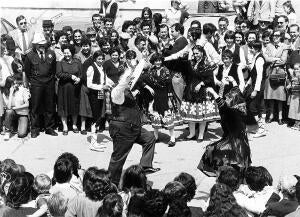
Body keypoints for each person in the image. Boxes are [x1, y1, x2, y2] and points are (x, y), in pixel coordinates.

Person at [108, 50, 160, 186]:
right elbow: (124, 82)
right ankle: (111, 184)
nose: (130, 79)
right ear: (121, 78)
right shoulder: (117, 92)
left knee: (149, 138)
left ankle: (144, 166)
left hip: (133, 127)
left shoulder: (127, 86)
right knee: (118, 158)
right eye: (126, 78)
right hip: (123, 130)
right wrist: (128, 73)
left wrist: (142, 60)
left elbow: (134, 77)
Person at [198, 78, 251, 177]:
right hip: (242, 142)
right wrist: (234, 81)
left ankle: (225, 172)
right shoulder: (241, 106)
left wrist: (213, 92)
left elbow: (222, 105)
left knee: (212, 150)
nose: (226, 99)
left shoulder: (231, 112)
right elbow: (237, 93)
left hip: (234, 143)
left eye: (228, 99)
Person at [181, 45, 218, 142]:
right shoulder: (191, 63)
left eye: (197, 53)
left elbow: (209, 79)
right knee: (190, 115)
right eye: (194, 53)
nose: (195, 55)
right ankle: (192, 133)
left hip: (202, 92)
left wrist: (200, 84)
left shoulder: (206, 64)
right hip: (190, 91)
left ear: (202, 52)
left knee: (202, 115)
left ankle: (201, 134)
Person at [24, 32, 58, 138]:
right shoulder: (29, 56)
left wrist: (50, 80)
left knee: (49, 106)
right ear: (35, 45)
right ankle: (35, 129)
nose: (42, 46)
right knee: (35, 107)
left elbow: (53, 69)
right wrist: (33, 82)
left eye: (43, 43)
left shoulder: (51, 53)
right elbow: (27, 72)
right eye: (39, 44)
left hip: (49, 83)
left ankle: (49, 128)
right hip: (36, 84)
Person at [143, 53, 177, 147]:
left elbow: (169, 85)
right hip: (155, 96)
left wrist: (170, 99)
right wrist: (148, 88)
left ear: (161, 61)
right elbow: (142, 79)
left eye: (159, 60)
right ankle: (156, 136)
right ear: (153, 62)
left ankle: (172, 138)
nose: (158, 62)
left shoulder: (165, 70)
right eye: (155, 61)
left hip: (165, 95)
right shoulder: (151, 71)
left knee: (167, 116)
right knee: (155, 116)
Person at [86, 50, 114, 151]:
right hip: (94, 94)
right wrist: (102, 86)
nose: (101, 60)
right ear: (95, 59)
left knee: (98, 117)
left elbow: (105, 79)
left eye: (102, 59)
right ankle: (93, 143)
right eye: (99, 58)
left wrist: (111, 84)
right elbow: (89, 84)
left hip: (100, 94)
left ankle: (95, 142)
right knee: (95, 117)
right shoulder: (91, 68)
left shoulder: (101, 67)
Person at [56, 44, 82, 135]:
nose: (66, 54)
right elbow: (59, 74)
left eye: (68, 52)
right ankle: (65, 126)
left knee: (74, 106)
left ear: (72, 52)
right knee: (63, 107)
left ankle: (74, 125)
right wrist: (71, 76)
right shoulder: (60, 62)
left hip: (75, 88)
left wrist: (79, 78)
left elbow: (81, 74)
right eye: (65, 53)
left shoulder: (77, 62)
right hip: (64, 88)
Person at [264, 30, 288, 125]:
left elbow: (283, 61)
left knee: (280, 96)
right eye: (274, 35)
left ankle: (280, 117)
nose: (275, 37)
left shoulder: (284, 47)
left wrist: (272, 60)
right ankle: (271, 115)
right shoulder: (269, 46)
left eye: (277, 35)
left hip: (279, 74)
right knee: (271, 96)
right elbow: (266, 58)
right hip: (270, 73)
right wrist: (276, 59)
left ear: (281, 37)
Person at [244, 41, 267, 138]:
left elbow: (259, 76)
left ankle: (260, 129)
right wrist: (247, 84)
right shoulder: (256, 57)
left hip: (258, 85)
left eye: (252, 48)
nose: (250, 49)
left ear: (256, 48)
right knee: (260, 105)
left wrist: (255, 90)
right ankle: (258, 128)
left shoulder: (260, 59)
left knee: (254, 106)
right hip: (255, 84)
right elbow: (253, 74)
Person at [2, 75, 30, 141]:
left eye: (15, 82)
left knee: (21, 134)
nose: (15, 85)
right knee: (9, 111)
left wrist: (15, 108)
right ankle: (7, 131)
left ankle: (23, 124)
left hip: (22, 113)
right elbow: (8, 107)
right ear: (9, 85)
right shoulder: (5, 93)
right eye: (13, 84)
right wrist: (11, 93)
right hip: (13, 113)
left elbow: (27, 104)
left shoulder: (22, 89)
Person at [287, 62, 300, 130]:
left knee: (298, 110)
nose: (295, 70)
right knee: (293, 109)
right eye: (294, 69)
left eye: (297, 69)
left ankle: (298, 124)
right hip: (293, 94)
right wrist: (289, 86)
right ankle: (295, 123)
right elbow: (292, 84)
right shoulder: (294, 76)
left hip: (298, 95)